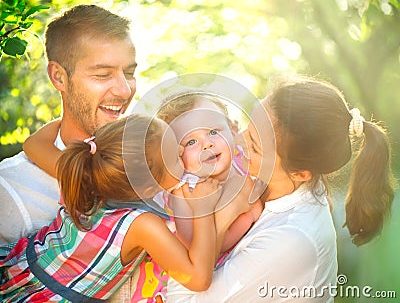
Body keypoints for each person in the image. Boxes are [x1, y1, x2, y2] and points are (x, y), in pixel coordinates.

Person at [166, 76, 395, 302]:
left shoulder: (291, 240)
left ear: (300, 173)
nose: (240, 142)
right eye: (248, 128)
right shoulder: (278, 186)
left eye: (254, 146)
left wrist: (224, 216)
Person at [0, 114, 254, 302]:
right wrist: (205, 209)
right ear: (147, 189)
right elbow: (198, 278)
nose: (181, 149)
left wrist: (81, 128)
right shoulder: (142, 225)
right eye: (175, 157)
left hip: (18, 268)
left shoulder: (87, 177)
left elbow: (33, 144)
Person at [0, 4, 138, 245]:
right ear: (59, 77)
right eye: (103, 75)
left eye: (128, 73)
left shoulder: (154, 161)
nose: (124, 90)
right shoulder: (11, 188)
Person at [156, 92, 264, 252]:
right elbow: (196, 247)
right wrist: (248, 217)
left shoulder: (242, 160)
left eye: (213, 132)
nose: (207, 144)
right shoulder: (184, 192)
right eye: (191, 142)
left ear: (233, 131)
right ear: (175, 154)